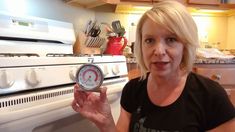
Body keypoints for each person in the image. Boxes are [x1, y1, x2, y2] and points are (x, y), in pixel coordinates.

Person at [72, 0, 235, 131]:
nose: (158, 51)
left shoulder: (211, 97)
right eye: (149, 40)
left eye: (171, 39)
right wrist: (106, 123)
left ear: (185, 45)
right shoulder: (132, 91)